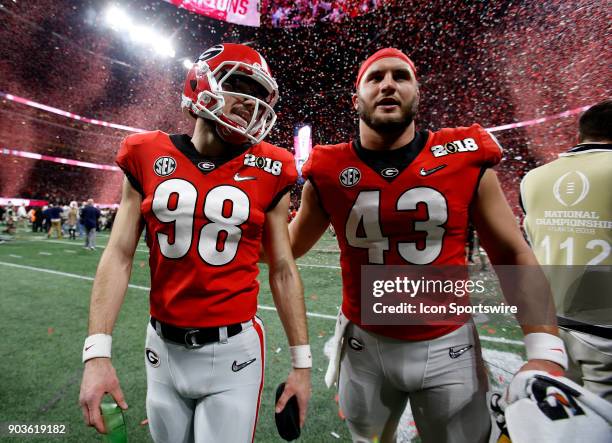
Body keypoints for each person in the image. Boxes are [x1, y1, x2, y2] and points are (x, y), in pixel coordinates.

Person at [288, 48, 567, 443]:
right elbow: (289, 248)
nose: (388, 84)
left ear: (417, 92)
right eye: (375, 77)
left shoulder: (464, 155)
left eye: (400, 76)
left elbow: (511, 253)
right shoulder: (327, 167)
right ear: (356, 99)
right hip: (364, 344)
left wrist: (544, 347)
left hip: (447, 347)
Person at [79, 43, 311, 443]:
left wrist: (301, 365)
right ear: (201, 82)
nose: (250, 102)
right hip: (162, 350)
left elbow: (283, 269)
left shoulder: (273, 166)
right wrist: (97, 353)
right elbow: (118, 255)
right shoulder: (145, 152)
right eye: (240, 84)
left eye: (259, 94)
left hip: (233, 352)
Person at [520, 99, 612, 402]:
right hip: (604, 325)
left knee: (562, 418)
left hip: (550, 323)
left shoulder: (533, 178)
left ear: (582, 134)